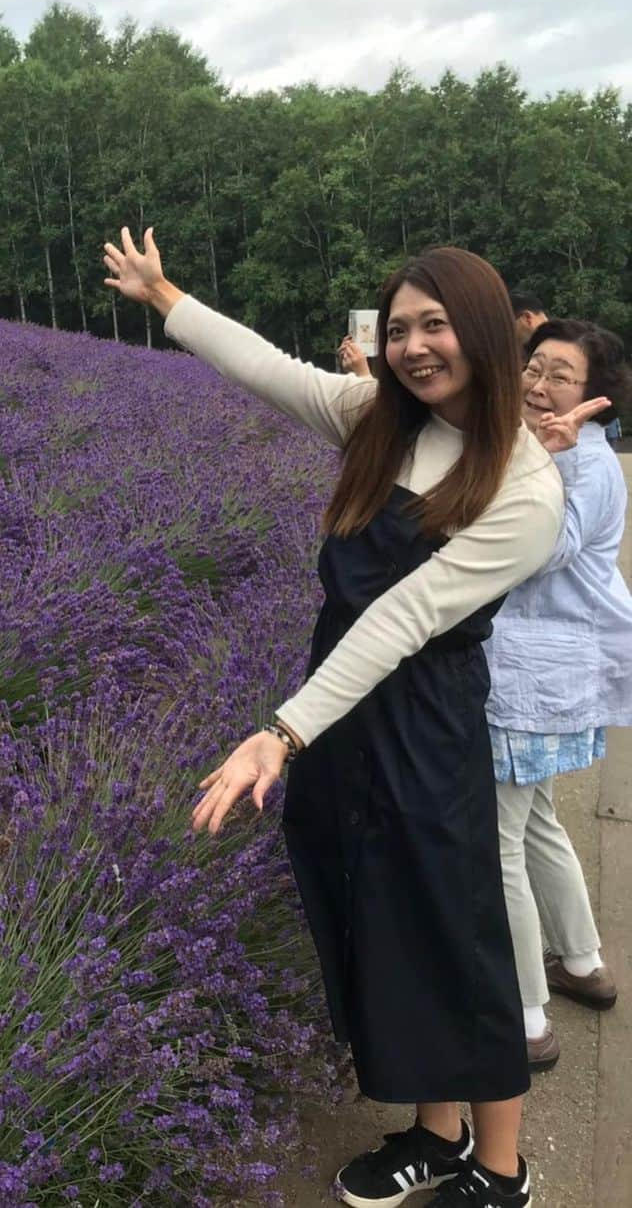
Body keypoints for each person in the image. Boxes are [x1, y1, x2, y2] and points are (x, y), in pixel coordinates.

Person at [103, 229, 608, 1208]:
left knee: (454, 935)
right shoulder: (382, 417)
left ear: (485, 334)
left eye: (439, 325)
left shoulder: (524, 488)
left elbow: (407, 615)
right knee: (382, 924)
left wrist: (281, 731)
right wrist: (167, 299)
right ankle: (434, 1130)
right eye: (403, 326)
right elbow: (269, 371)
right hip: (342, 703)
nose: (417, 345)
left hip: (423, 720)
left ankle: (500, 1173)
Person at [487, 319, 632, 1072]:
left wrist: (525, 462)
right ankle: (581, 962)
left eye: (560, 377)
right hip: (542, 664)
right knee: (536, 818)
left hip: (530, 672)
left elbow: (545, 547)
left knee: (498, 840)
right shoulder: (578, 453)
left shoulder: (578, 461)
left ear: (596, 399)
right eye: (533, 368)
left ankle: (526, 1017)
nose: (538, 386)